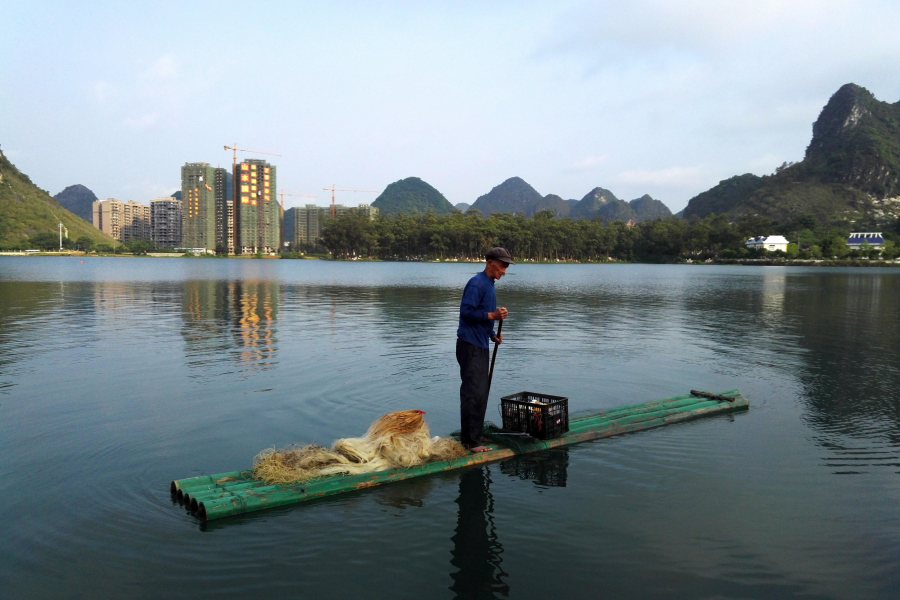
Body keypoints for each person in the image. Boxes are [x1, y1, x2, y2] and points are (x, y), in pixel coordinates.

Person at [456, 247, 513, 453]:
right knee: (472, 392)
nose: (504, 270)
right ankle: (469, 442)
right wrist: (492, 316)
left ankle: (475, 434)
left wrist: (492, 335)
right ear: (489, 262)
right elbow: (466, 312)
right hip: (469, 345)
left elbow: (482, 315)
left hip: (481, 343)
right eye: (502, 265)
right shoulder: (477, 283)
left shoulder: (489, 285)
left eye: (506, 266)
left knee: (481, 391)